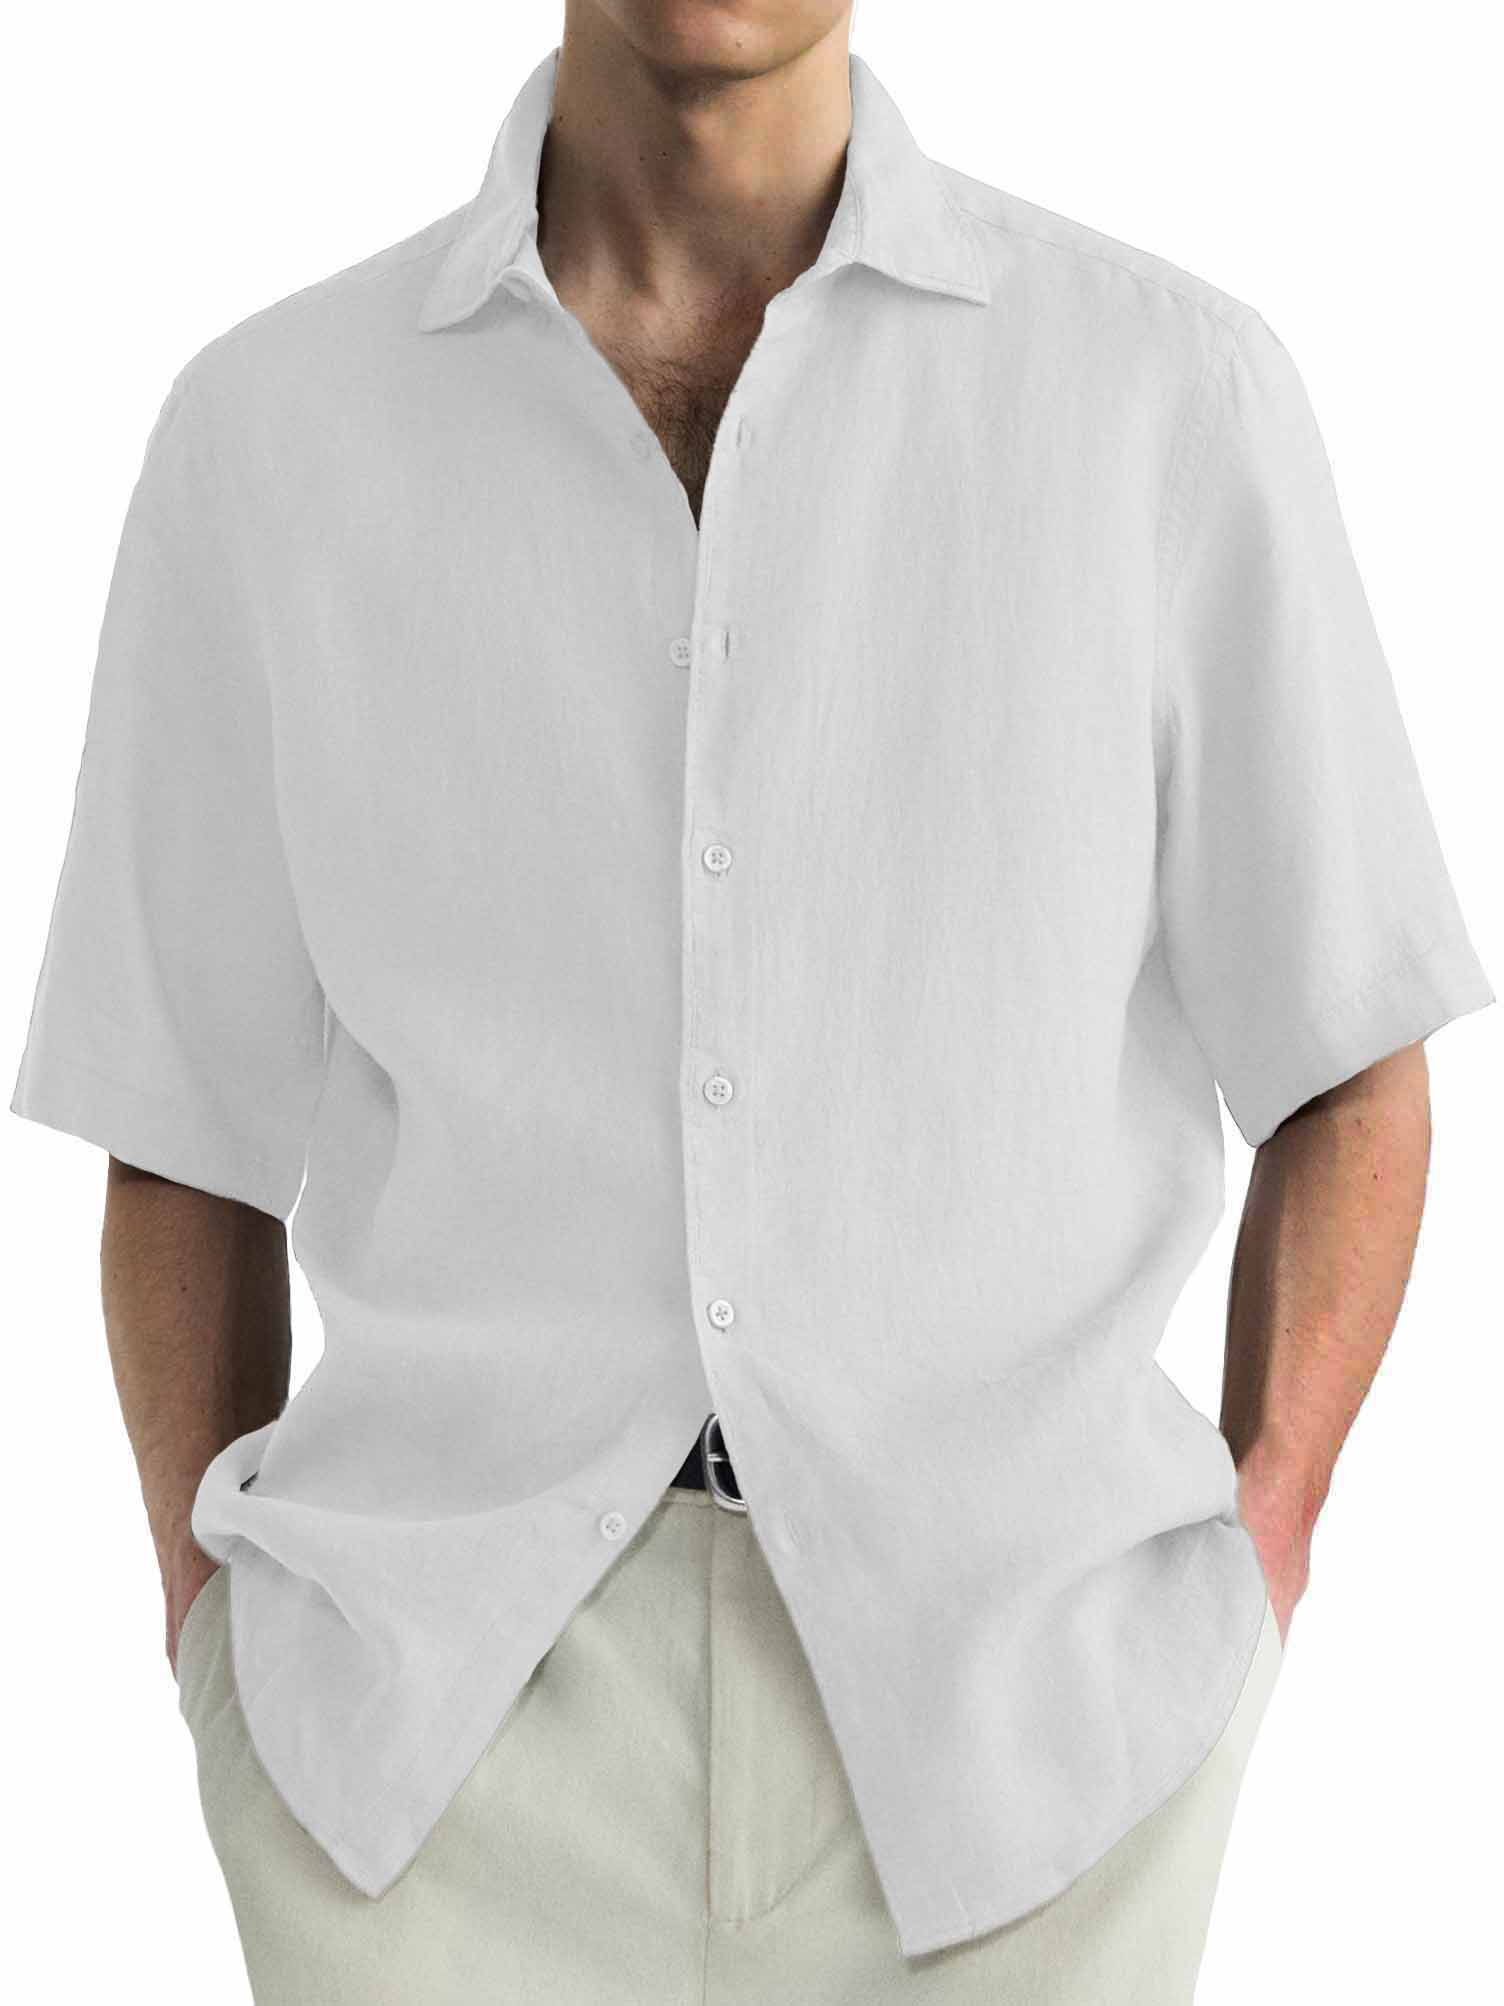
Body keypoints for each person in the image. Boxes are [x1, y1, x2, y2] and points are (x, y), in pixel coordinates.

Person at [11, 4, 1492, 2001]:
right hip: (422, 1770)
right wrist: (214, 1655)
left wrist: (1255, 1563)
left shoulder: (1166, 397)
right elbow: (181, 1123)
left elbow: (1347, 1060)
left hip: (1034, 1756)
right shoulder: (269, 434)